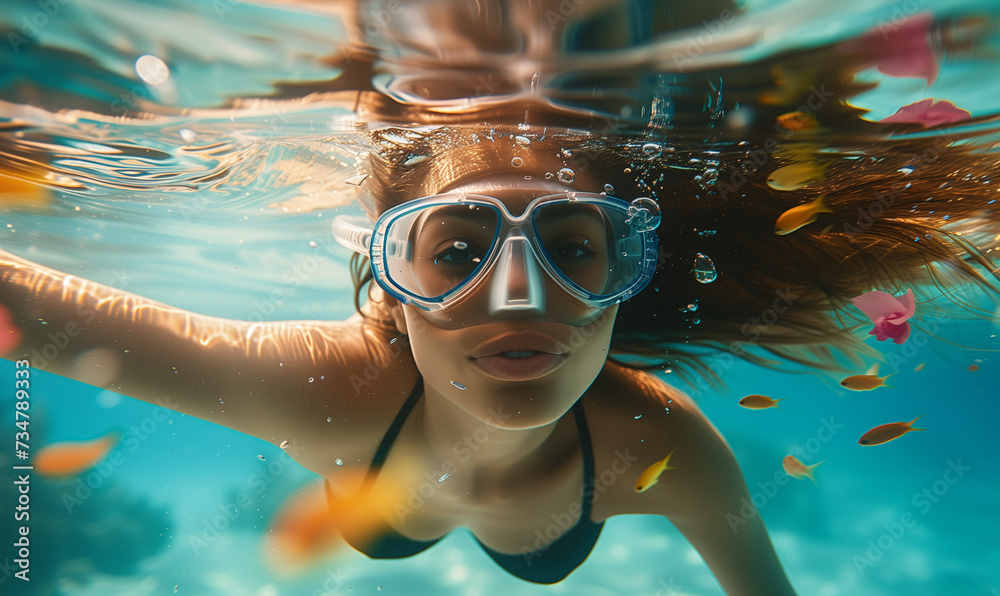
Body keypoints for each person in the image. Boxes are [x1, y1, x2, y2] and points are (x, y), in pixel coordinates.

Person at [3, 114, 1000, 594]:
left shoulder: (663, 444)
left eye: (572, 249)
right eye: (455, 253)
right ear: (390, 280)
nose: (519, 296)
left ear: (629, 268)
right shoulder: (326, 385)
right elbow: (37, 309)